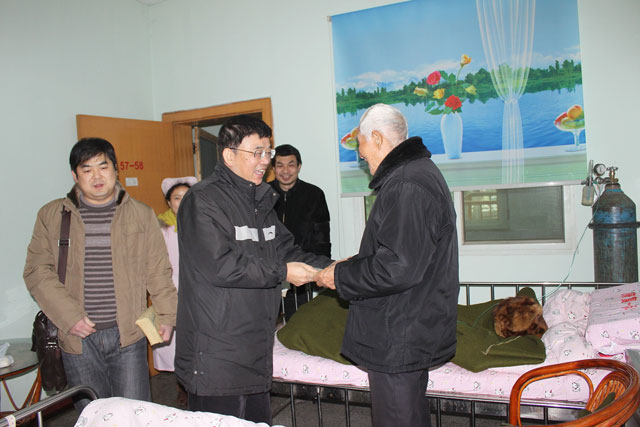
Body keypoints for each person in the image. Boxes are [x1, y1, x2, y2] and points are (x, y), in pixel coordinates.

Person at [175, 115, 332, 424]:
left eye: (267, 152)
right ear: (229, 155)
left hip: (255, 343)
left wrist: (333, 268)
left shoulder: (258, 200)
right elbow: (221, 266)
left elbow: (287, 250)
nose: (265, 161)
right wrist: (283, 272)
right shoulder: (203, 200)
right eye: (257, 152)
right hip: (216, 350)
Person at [315, 103, 459, 427]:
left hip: (399, 333)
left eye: (361, 144)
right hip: (409, 327)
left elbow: (397, 267)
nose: (360, 154)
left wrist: (340, 276)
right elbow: (404, 251)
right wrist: (356, 262)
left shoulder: (407, 184)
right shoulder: (417, 174)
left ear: (377, 138)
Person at [24, 138, 178, 410]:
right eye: (87, 169)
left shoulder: (141, 214)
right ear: (75, 175)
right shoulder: (53, 215)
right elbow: (37, 270)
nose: (96, 176)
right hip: (78, 336)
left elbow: (157, 269)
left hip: (128, 334)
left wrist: (166, 315)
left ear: (115, 170)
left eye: (103, 167)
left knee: (134, 413)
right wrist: (70, 317)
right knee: (93, 413)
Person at [270, 144, 331, 319]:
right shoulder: (263, 195)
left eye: (291, 165)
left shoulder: (314, 194)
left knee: (298, 322)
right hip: (271, 272)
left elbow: (322, 237)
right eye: (280, 165)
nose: (285, 171)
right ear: (273, 168)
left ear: (299, 166)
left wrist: (323, 270)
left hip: (303, 272)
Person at [153, 176, 197, 373]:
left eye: (187, 197)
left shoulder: (202, 224)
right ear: (169, 202)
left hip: (197, 291)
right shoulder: (160, 228)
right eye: (177, 198)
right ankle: (178, 381)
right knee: (172, 343)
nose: (182, 201)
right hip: (170, 290)